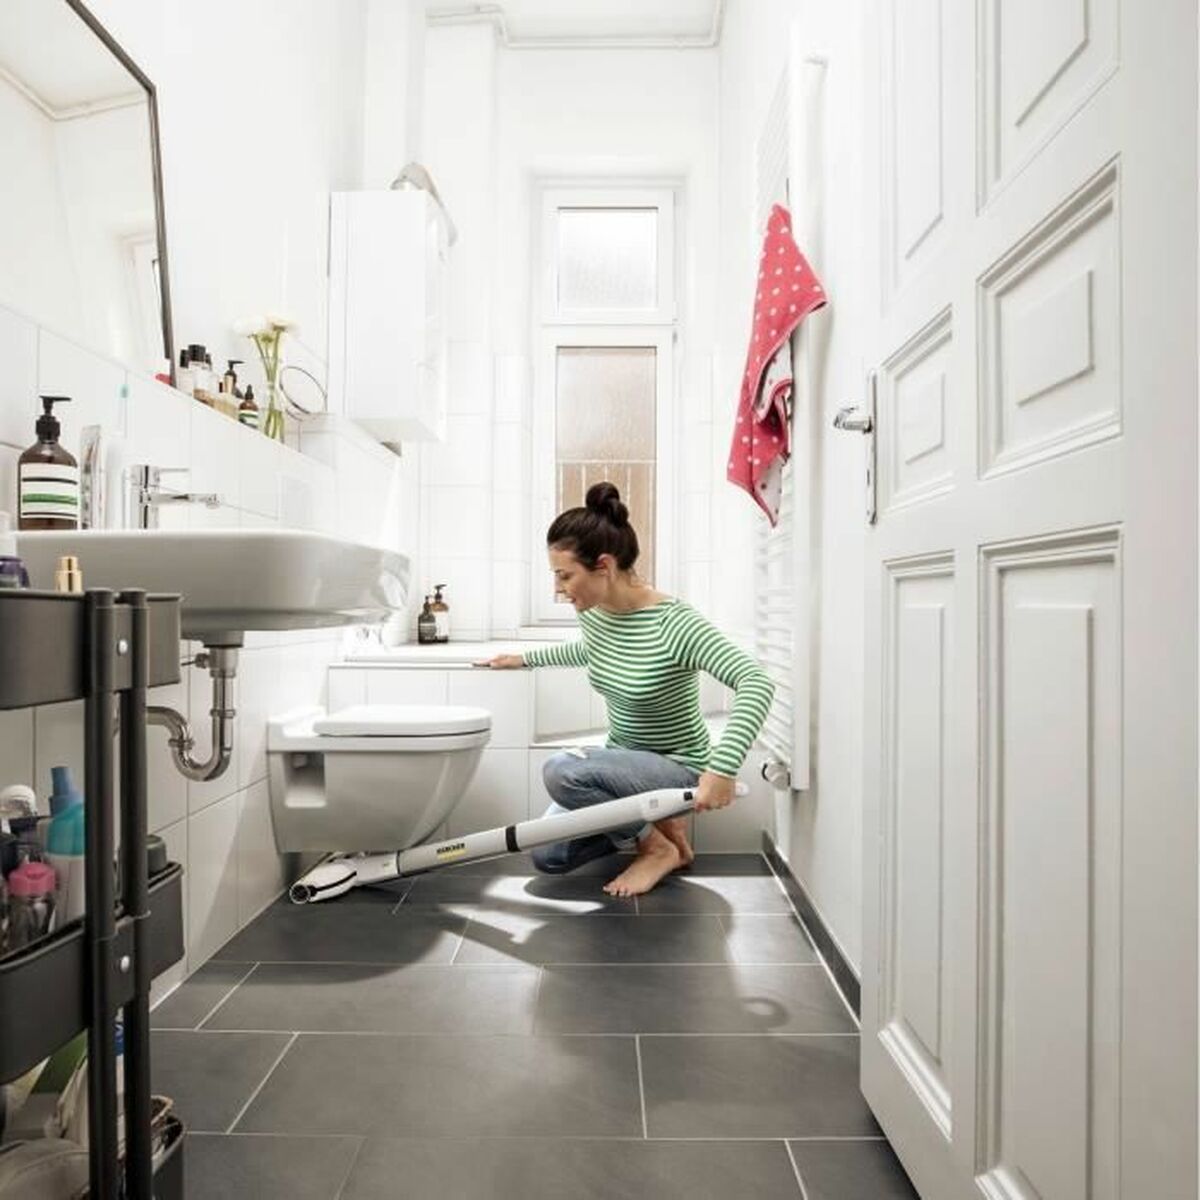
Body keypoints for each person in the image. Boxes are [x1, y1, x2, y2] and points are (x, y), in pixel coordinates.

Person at [477, 481, 775, 897]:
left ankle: (655, 849)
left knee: (562, 771)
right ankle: (662, 835)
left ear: (604, 565)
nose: (558, 589)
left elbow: (755, 681)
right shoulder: (595, 613)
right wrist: (524, 658)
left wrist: (722, 769)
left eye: (565, 576)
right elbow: (593, 650)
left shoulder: (673, 623)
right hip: (623, 762)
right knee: (548, 853)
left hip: (676, 763)